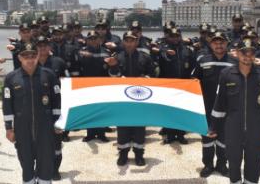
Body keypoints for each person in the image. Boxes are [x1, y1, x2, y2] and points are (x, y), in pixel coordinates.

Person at [211, 39, 260, 184]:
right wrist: (214, 126)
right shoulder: (226, 74)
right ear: (237, 53)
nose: (247, 56)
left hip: (256, 127)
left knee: (254, 162)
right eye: (244, 53)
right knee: (234, 161)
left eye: (251, 53)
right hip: (233, 126)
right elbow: (219, 102)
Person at [3, 43, 62, 184]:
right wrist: (9, 128)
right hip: (22, 130)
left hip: (45, 130)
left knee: (46, 164)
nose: (29, 59)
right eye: (25, 56)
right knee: (26, 164)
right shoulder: (11, 78)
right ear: (19, 58)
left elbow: (57, 102)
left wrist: (58, 123)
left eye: (32, 55)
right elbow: (7, 105)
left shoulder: (49, 75)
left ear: (37, 56)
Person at [106, 32, 155, 166]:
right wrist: (113, 66)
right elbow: (112, 77)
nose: (129, 43)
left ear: (137, 42)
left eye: (132, 41)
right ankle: (123, 154)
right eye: (127, 41)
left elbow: (153, 74)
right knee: (123, 127)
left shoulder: (145, 57)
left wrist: (144, 78)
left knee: (139, 127)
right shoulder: (117, 57)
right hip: (122, 100)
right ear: (123, 42)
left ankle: (139, 154)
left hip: (140, 98)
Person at [193, 31, 236, 177]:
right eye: (215, 43)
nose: (219, 45)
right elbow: (194, 81)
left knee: (224, 138)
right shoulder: (203, 61)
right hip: (207, 106)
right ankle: (208, 165)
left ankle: (222, 164)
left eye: (221, 42)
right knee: (207, 138)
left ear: (226, 44)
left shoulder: (234, 62)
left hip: (227, 108)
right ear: (211, 44)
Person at [36, 36, 68, 179]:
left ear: (50, 47)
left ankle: (55, 169)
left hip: (56, 105)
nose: (42, 47)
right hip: (37, 107)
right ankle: (40, 168)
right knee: (38, 140)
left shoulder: (58, 62)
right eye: (39, 45)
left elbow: (68, 81)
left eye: (45, 45)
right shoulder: (31, 63)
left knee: (55, 140)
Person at [158, 27, 195, 144]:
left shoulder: (187, 50)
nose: (175, 38)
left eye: (177, 36)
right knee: (169, 111)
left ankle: (180, 134)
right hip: (169, 85)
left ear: (180, 36)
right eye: (172, 36)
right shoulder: (164, 48)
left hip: (184, 85)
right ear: (168, 37)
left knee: (181, 111)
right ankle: (169, 135)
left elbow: (193, 65)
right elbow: (162, 58)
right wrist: (167, 54)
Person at [78, 31, 111, 142]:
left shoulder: (106, 52)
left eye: (95, 38)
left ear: (99, 39)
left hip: (102, 85)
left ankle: (101, 134)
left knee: (101, 110)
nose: (93, 40)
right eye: (90, 38)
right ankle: (90, 134)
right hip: (87, 85)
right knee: (89, 110)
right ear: (87, 40)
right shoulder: (81, 51)